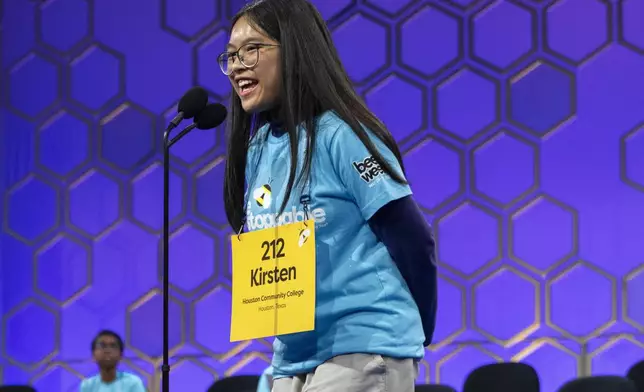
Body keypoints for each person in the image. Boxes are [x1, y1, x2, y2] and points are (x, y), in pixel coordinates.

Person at [220, 0, 437, 391]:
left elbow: (412, 237)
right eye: (231, 55)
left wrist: (417, 326)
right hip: (292, 356)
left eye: (252, 49)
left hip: (364, 342)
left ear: (295, 49)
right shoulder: (257, 150)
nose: (237, 65)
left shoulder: (343, 136)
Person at [80, 330, 146, 392]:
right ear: (93, 355)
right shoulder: (87, 385)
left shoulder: (133, 383)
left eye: (113, 346)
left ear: (121, 355)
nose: (107, 350)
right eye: (102, 346)